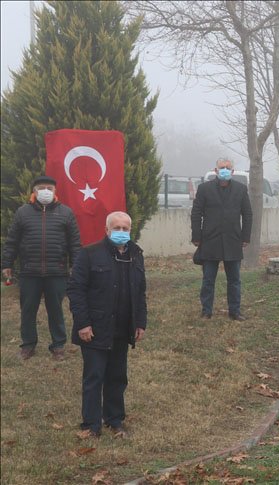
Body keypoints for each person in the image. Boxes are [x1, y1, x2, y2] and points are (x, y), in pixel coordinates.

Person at [67, 211, 147, 438]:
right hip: (94, 329)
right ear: (107, 230)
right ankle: (91, 425)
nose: (121, 232)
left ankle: (115, 420)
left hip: (122, 328)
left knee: (117, 376)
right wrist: (83, 323)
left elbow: (140, 291)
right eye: (117, 228)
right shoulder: (89, 254)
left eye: (125, 228)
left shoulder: (136, 255)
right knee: (94, 377)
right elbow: (76, 290)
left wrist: (140, 322)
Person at [2, 175, 81, 360]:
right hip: (29, 272)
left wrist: (76, 267)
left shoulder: (66, 213)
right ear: (34, 192)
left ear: (55, 191)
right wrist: (7, 264)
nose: (45, 191)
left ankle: (58, 346)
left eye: (49, 188)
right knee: (28, 310)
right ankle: (28, 345)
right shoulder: (22, 212)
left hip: (57, 272)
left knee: (56, 310)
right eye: (41, 188)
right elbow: (12, 241)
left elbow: (75, 244)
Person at [191, 158, 252, 320]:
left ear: (232, 171)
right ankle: (206, 311)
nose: (224, 170)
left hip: (233, 240)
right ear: (216, 170)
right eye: (221, 167)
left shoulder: (241, 189)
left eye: (228, 167)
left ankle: (235, 311)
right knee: (208, 279)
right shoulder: (204, 189)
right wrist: (196, 236)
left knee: (234, 280)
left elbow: (247, 214)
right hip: (209, 240)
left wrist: (246, 236)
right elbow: (196, 213)